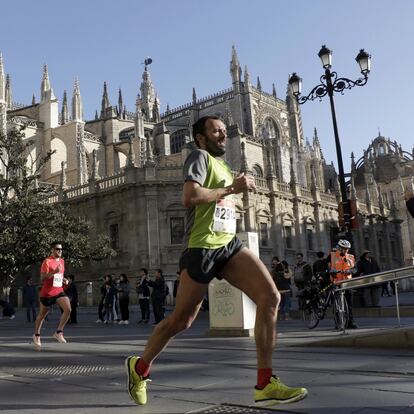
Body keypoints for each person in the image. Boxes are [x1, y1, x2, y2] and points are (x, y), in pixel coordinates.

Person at [125, 115, 307, 407]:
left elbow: (221, 201)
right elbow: (190, 196)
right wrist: (232, 189)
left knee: (270, 297)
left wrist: (237, 191)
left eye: (224, 130)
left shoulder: (223, 165)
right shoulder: (199, 157)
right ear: (201, 137)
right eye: (216, 131)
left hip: (228, 245)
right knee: (180, 321)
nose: (223, 135)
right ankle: (140, 367)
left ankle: (265, 383)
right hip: (202, 247)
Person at [33, 242, 71, 349]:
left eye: (61, 249)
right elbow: (43, 278)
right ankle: (36, 335)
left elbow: (60, 276)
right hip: (47, 293)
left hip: (58, 290)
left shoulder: (62, 261)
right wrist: (54, 271)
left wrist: (65, 280)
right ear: (52, 250)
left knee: (68, 309)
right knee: (42, 315)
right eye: (57, 249)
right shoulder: (47, 261)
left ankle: (59, 332)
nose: (60, 251)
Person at [329, 239, 358, 329]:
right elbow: (327, 265)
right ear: (339, 248)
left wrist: (350, 270)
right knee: (337, 304)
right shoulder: (332, 255)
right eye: (344, 249)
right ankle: (338, 322)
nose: (346, 250)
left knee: (349, 304)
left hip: (347, 283)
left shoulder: (351, 257)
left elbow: (355, 268)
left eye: (347, 249)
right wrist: (331, 271)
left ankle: (350, 322)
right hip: (336, 282)